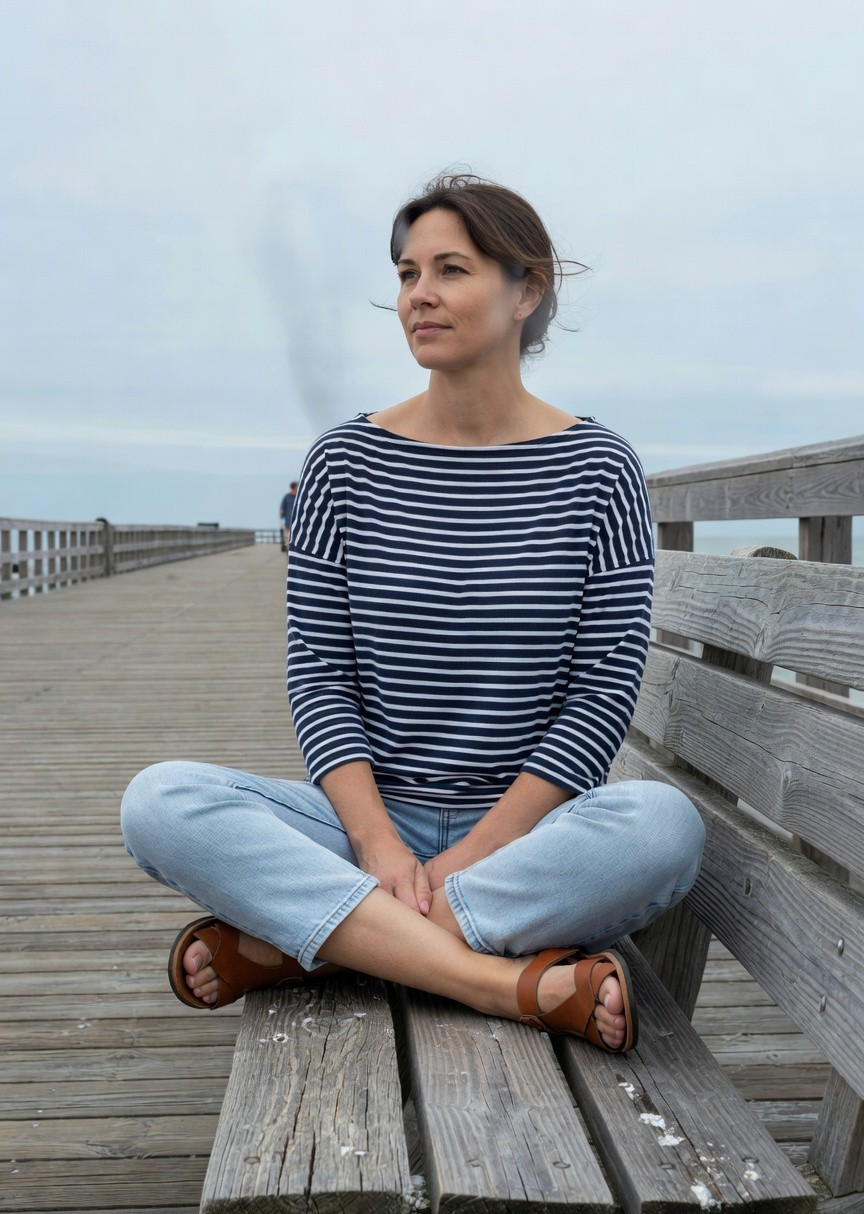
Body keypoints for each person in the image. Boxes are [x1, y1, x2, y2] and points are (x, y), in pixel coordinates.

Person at [121, 173, 705, 1054]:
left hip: (526, 834)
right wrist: (381, 848)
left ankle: (317, 949)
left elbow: (600, 696)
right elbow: (319, 673)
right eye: (405, 274)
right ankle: (505, 985)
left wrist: (467, 859)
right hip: (361, 831)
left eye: (451, 270)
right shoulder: (343, 463)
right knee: (158, 802)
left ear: (527, 292)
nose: (418, 296)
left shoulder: (599, 471)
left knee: (665, 829)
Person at [279, 481, 298, 551]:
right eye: (296, 488)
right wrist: (281, 515)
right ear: (292, 488)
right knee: (287, 539)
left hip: (297, 523)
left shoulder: (298, 497)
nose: (297, 490)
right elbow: (282, 508)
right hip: (288, 522)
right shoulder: (286, 497)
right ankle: (288, 551)